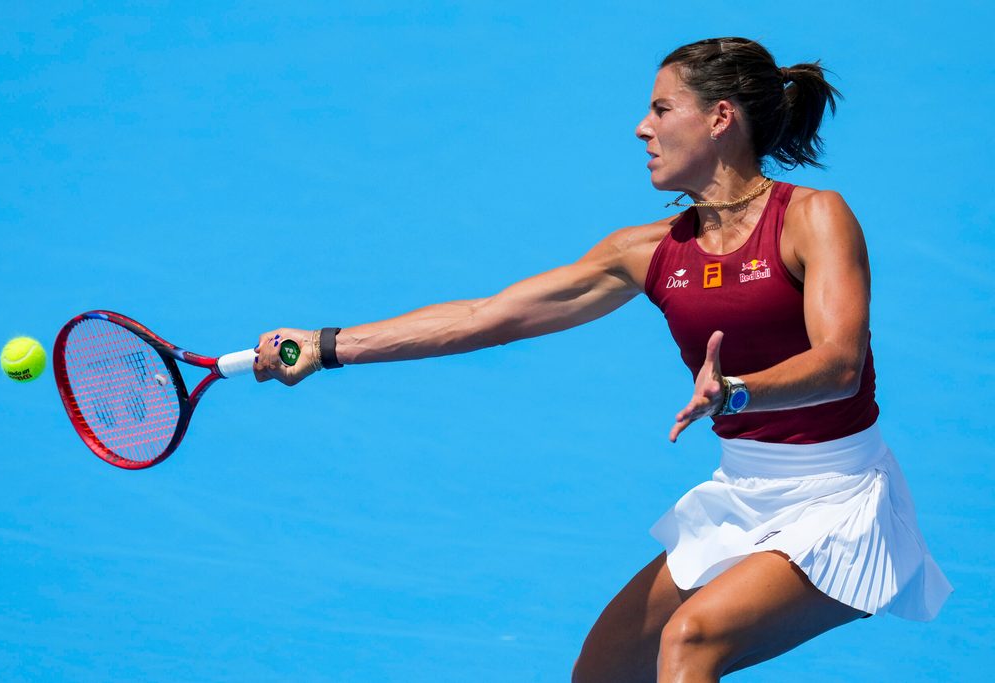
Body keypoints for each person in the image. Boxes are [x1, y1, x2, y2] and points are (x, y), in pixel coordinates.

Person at [253, 37, 951, 682]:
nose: (641, 128)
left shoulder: (814, 217)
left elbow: (840, 363)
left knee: (692, 639)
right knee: (603, 670)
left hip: (842, 497)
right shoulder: (645, 252)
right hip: (745, 492)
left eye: (660, 108)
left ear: (719, 118)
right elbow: (486, 316)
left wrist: (736, 391)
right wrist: (327, 344)